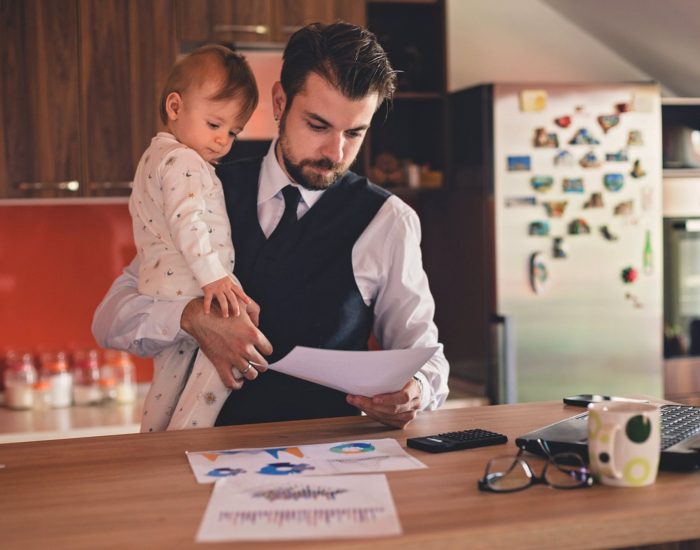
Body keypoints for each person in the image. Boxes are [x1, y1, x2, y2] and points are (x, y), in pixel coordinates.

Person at [93, 21, 449, 429]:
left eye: (354, 132)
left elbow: (426, 354)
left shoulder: (389, 220)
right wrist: (191, 317)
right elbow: (111, 319)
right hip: (203, 465)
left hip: (332, 466)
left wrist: (415, 390)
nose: (335, 152)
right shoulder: (200, 189)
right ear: (279, 102)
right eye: (317, 125)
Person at [128, 45, 259, 431]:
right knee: (225, 361)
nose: (223, 141)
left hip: (163, 289)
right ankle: (188, 439)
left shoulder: (154, 156)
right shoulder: (184, 161)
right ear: (175, 107)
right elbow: (188, 221)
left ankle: (154, 442)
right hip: (193, 286)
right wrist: (214, 277)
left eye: (233, 132)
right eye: (215, 124)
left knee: (167, 381)